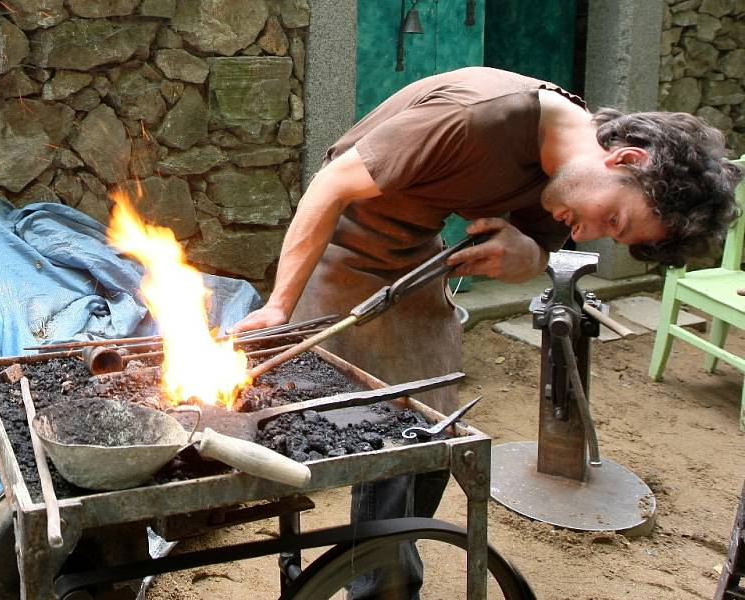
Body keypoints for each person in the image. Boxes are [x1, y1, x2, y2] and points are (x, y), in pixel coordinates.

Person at [232, 67, 742, 598]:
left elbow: (539, 246)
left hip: (418, 254)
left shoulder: (567, 163)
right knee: (384, 429)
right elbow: (333, 183)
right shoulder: (478, 115)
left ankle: (393, 566)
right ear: (626, 159)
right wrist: (278, 305)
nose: (587, 234)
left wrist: (530, 253)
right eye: (612, 219)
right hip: (342, 245)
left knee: (433, 427)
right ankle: (380, 585)